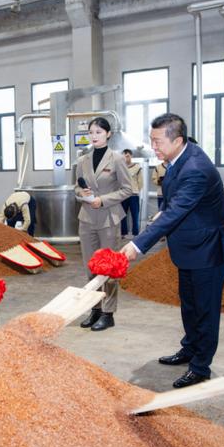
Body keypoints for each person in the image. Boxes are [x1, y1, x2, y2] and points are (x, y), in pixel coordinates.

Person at [120, 113, 224, 389]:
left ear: (178, 140)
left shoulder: (195, 167)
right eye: (151, 140)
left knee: (205, 311)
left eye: (158, 141)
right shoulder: (176, 160)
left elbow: (179, 210)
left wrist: (137, 244)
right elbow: (172, 204)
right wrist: (160, 214)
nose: (153, 147)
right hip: (188, 248)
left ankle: (200, 366)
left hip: (208, 251)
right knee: (190, 305)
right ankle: (190, 348)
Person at [75, 117, 132, 331]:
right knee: (90, 267)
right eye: (91, 132)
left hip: (109, 218)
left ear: (108, 134)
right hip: (87, 218)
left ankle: (108, 313)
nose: (94, 136)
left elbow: (128, 189)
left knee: (108, 268)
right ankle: (95, 309)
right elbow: (76, 188)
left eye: (99, 132)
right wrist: (83, 193)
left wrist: (104, 200)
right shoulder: (83, 160)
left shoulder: (116, 159)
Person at [120, 149, 142, 239]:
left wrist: (136, 190)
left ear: (131, 156)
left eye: (127, 156)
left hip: (133, 195)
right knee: (122, 215)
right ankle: (123, 233)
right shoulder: (120, 168)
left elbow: (140, 182)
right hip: (123, 195)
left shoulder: (137, 167)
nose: (126, 158)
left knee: (135, 214)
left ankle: (135, 233)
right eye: (124, 156)